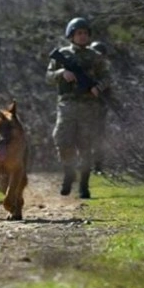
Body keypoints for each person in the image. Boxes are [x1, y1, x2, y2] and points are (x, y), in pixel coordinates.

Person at [46, 17, 110, 199]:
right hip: (67, 104)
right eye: (78, 33)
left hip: (89, 107)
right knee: (62, 139)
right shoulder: (63, 54)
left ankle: (84, 185)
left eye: (85, 33)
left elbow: (107, 77)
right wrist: (61, 73)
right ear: (71, 35)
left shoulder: (95, 57)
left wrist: (98, 87)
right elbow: (48, 76)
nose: (82, 36)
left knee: (85, 146)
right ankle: (68, 172)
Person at [89, 40, 111, 174]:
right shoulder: (86, 68)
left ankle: (98, 166)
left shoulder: (104, 71)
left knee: (98, 138)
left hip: (99, 108)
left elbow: (107, 86)